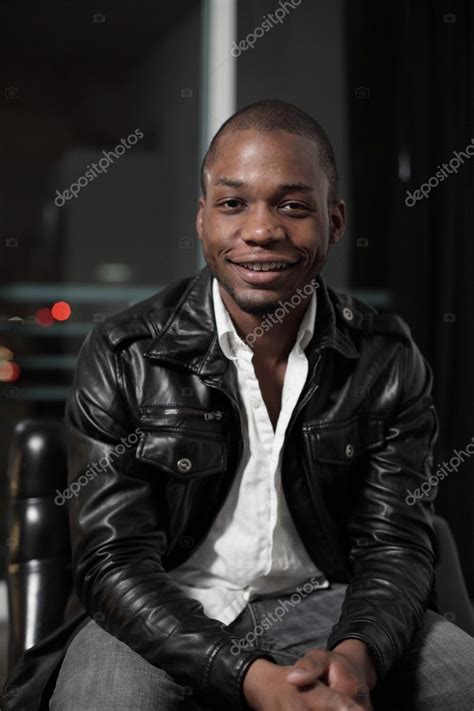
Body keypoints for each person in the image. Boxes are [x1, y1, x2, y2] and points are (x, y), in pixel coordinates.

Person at [3, 99, 474, 711]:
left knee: (461, 675)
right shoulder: (125, 353)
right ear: (203, 221)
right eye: (233, 204)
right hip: (162, 611)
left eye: (293, 205)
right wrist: (250, 675)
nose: (261, 230)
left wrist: (358, 653)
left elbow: (396, 543)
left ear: (333, 221)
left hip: (329, 603)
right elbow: (112, 562)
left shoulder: (385, 356)